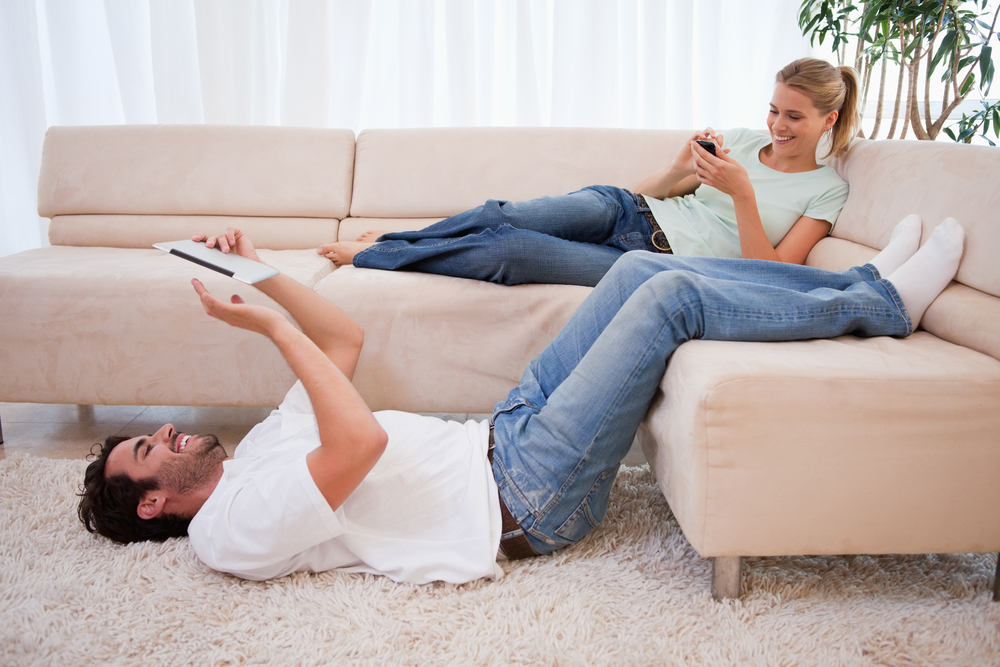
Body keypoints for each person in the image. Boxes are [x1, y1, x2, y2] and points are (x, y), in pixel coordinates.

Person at [78, 217, 963, 583]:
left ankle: (855, 280)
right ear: (153, 502)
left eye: (149, 434)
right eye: (145, 451)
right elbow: (357, 449)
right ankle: (881, 307)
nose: (163, 432)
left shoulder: (260, 452)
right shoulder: (227, 531)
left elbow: (341, 345)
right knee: (668, 303)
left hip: (503, 431)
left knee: (637, 269)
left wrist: (261, 274)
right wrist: (272, 334)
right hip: (525, 498)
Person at [317, 58, 860, 287]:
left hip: (651, 262)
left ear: (827, 119)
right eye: (773, 110)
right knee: (500, 213)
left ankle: (379, 253)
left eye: (793, 116)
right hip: (624, 209)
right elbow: (646, 194)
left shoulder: (826, 191)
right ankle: (389, 242)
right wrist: (678, 165)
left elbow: (775, 274)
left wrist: (742, 195)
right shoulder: (743, 141)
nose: (777, 125)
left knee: (510, 252)